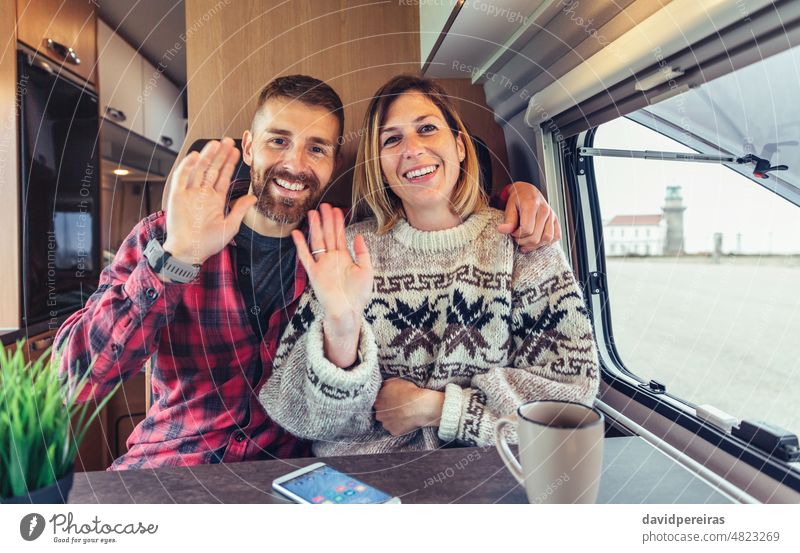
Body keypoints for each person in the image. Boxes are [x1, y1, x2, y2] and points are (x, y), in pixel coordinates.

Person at [54, 75, 560, 470]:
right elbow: (70, 380)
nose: (295, 164)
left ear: (334, 159)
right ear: (249, 147)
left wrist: (517, 197)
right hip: (172, 466)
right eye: (278, 141)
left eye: (316, 148)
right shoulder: (165, 236)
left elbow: (441, 222)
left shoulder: (347, 248)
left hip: (293, 478)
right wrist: (178, 259)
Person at [261, 75, 599, 456]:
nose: (412, 149)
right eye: (392, 139)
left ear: (458, 145)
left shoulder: (524, 242)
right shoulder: (348, 250)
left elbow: (568, 404)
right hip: (368, 485)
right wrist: (342, 331)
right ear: (380, 166)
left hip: (487, 479)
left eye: (427, 129)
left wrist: (437, 409)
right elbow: (300, 414)